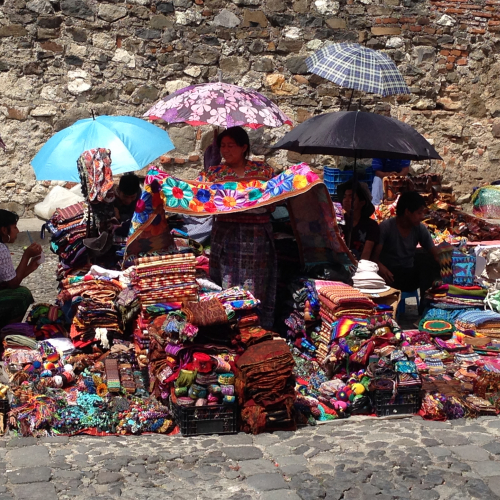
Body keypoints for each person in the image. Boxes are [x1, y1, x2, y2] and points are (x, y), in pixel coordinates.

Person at [198, 126, 276, 328]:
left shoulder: (263, 171)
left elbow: (275, 201)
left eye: (230, 145)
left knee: (256, 281)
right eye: (222, 145)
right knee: (227, 278)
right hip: (227, 235)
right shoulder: (213, 174)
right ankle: (227, 325)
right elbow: (200, 200)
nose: (225, 150)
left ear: (244, 147)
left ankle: (255, 326)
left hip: (257, 237)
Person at [373, 191, 440, 313]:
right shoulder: (386, 227)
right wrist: (381, 267)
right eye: (419, 213)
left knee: (427, 260)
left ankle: (425, 307)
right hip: (389, 275)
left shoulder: (419, 228)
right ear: (407, 212)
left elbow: (434, 253)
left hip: (408, 273)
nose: (421, 217)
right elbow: (374, 258)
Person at [0, 210, 42, 328]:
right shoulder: (1, 249)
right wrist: (26, 255)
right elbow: (13, 284)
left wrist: (30, 267)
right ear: (4, 230)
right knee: (22, 295)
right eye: (14, 227)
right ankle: (7, 332)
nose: (17, 231)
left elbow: (9, 280)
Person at [339, 179, 380, 262]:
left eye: (351, 197)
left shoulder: (371, 226)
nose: (346, 200)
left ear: (362, 203)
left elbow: (366, 255)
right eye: (344, 197)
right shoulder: (338, 222)